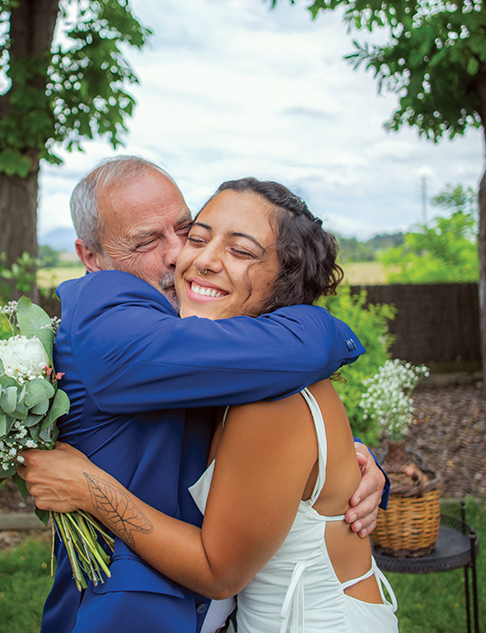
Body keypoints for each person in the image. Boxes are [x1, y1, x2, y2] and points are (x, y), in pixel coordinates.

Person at [26, 157, 388, 633]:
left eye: (186, 231)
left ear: (284, 276)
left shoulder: (261, 385)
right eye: (198, 238)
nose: (185, 256)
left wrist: (353, 466)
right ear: (91, 258)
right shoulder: (111, 316)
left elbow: (221, 568)